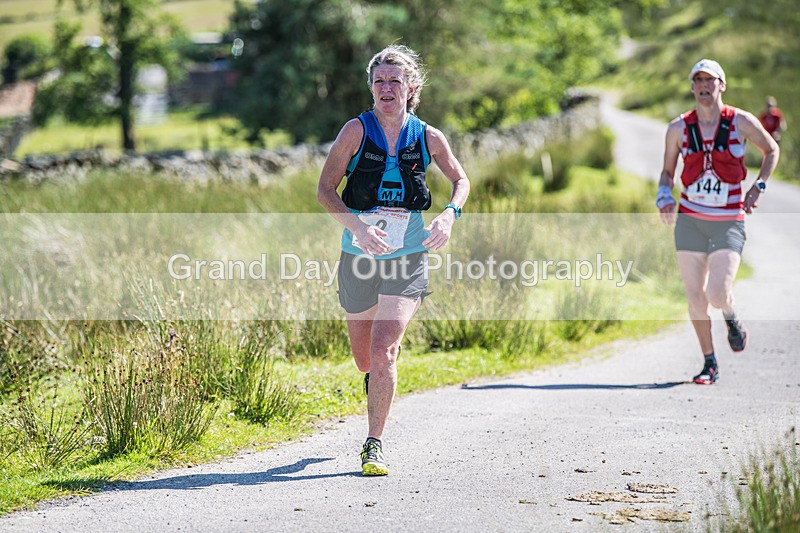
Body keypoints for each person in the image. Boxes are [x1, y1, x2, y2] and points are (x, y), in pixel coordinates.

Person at [317, 44, 470, 475]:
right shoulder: (354, 131)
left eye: (395, 81)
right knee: (365, 359)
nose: (387, 88)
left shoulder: (428, 136)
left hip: (408, 255)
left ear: (411, 87)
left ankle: (373, 444)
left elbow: (461, 180)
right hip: (359, 256)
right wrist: (359, 228)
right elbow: (325, 191)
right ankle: (374, 384)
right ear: (371, 88)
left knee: (385, 351)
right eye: (379, 81)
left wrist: (449, 215)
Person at [656, 59, 779, 384]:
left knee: (717, 292)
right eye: (698, 80)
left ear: (721, 85)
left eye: (710, 80)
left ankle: (730, 316)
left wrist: (759, 186)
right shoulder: (678, 129)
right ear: (693, 87)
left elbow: (772, 149)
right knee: (695, 296)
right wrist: (664, 197)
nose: (703, 86)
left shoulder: (741, 121)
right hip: (690, 220)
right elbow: (667, 174)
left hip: (728, 221)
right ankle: (710, 363)